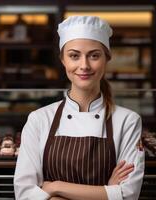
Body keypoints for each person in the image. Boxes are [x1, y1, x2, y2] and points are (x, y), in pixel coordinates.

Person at [13, 16, 145, 200]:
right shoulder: (39, 119)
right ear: (63, 60)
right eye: (74, 56)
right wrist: (107, 191)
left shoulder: (127, 121)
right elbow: (25, 195)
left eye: (94, 55)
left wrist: (56, 188)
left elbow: (128, 195)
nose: (84, 65)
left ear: (106, 59)